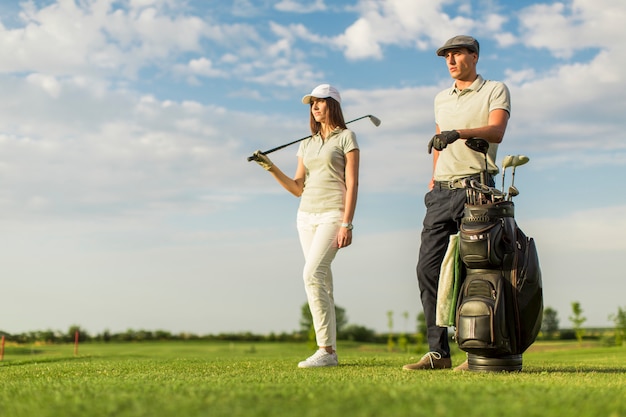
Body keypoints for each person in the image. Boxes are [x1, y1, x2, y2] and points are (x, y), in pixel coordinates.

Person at [403, 35, 511, 371]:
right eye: (446, 56)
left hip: (476, 189)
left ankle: (478, 353)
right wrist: (433, 179)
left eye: (457, 54)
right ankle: (439, 353)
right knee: (428, 269)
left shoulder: (495, 89)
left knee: (475, 272)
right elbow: (438, 142)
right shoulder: (441, 98)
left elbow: (496, 131)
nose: (450, 60)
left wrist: (458, 133)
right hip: (441, 193)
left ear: (474, 56)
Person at [252, 84, 360, 368]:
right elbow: (298, 187)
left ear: (332, 105)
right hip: (305, 216)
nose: (314, 106)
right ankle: (331, 351)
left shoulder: (347, 137)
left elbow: (353, 183)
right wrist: (270, 166)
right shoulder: (306, 143)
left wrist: (347, 222)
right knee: (322, 282)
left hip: (332, 214)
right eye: (312, 102)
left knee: (311, 275)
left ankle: (324, 349)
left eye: (320, 101)